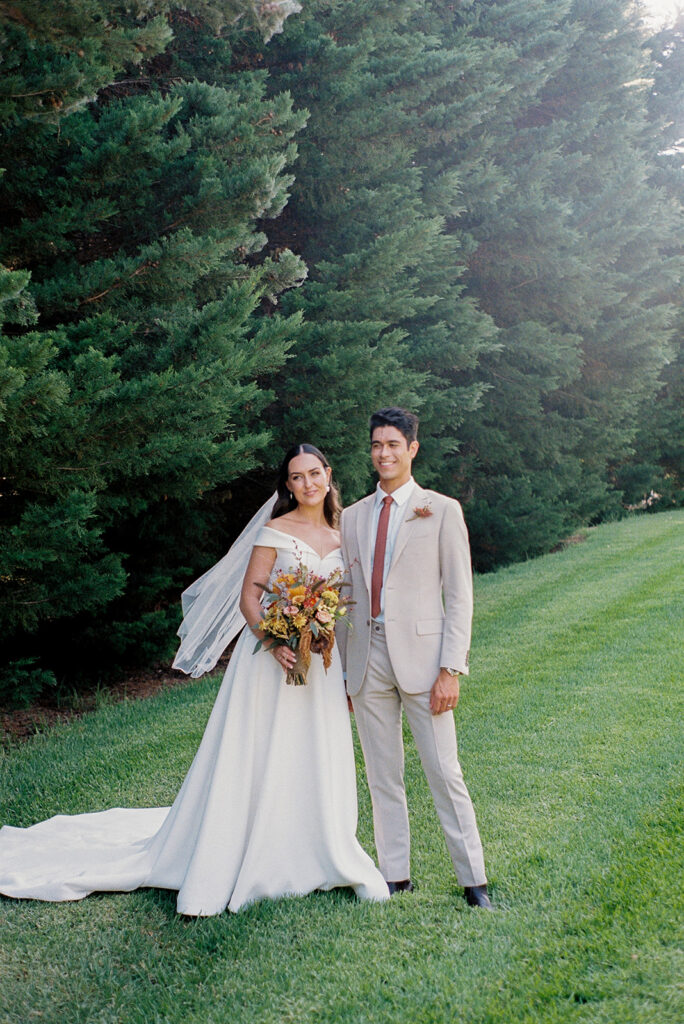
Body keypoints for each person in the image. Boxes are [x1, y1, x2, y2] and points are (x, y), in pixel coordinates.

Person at [0, 444, 389, 915]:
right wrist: (275, 641)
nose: (307, 484)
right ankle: (247, 845)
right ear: (286, 486)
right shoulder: (276, 530)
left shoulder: (345, 529)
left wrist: (326, 639)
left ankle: (314, 843)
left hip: (320, 665)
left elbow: (350, 596)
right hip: (271, 661)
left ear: (328, 475)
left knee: (313, 749)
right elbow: (250, 596)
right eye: (296, 477)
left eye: (314, 474)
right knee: (261, 748)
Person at [339, 408, 492, 909]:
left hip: (426, 662)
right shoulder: (354, 515)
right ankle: (395, 877)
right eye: (376, 445)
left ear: (412, 449)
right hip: (367, 658)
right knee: (382, 774)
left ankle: (474, 882)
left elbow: (460, 595)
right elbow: (346, 596)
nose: (383, 453)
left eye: (393, 444)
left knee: (444, 771)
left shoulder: (441, 509)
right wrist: (346, 673)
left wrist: (451, 668)